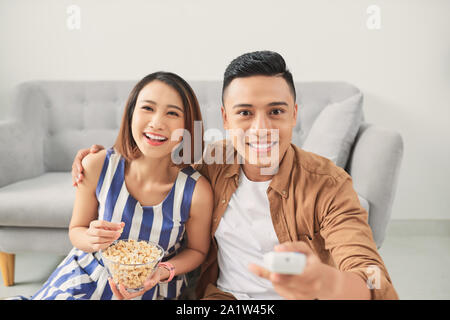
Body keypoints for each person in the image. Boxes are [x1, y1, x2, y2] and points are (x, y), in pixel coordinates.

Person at [72, 51, 399, 300]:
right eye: (245, 113)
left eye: (276, 112)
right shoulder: (210, 164)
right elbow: (154, 155)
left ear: (294, 115)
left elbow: (371, 275)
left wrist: (327, 281)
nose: (261, 129)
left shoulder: (328, 184)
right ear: (226, 119)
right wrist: (101, 156)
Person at [13, 71, 213, 300]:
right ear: (130, 114)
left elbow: (197, 251)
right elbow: (76, 230)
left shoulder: (196, 190)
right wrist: (90, 238)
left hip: (151, 288)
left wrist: (162, 271)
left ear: (188, 127)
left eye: (172, 113)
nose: (157, 122)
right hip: (87, 276)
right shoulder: (97, 165)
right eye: (147, 108)